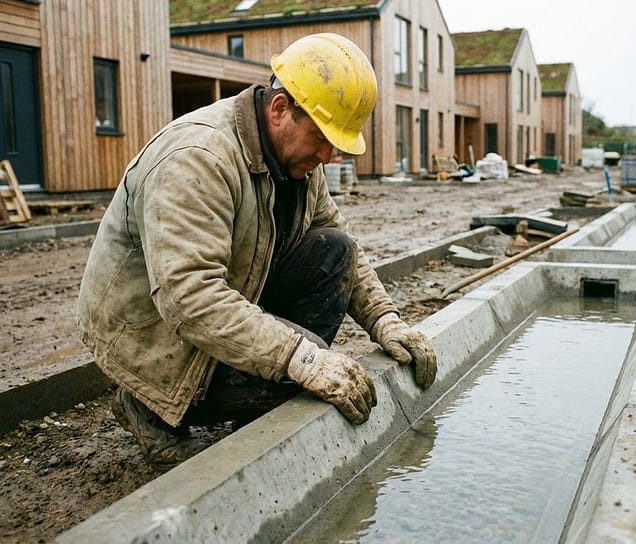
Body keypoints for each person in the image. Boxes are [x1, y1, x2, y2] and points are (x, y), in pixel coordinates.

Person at [77, 32, 437, 471]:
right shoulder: (198, 158)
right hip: (153, 333)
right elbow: (188, 297)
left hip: (221, 301)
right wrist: (300, 360)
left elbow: (339, 238)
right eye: (323, 138)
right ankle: (149, 406)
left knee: (333, 251)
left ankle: (252, 402)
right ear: (280, 108)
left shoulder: (297, 160)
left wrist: (386, 320)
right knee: (301, 363)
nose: (329, 155)